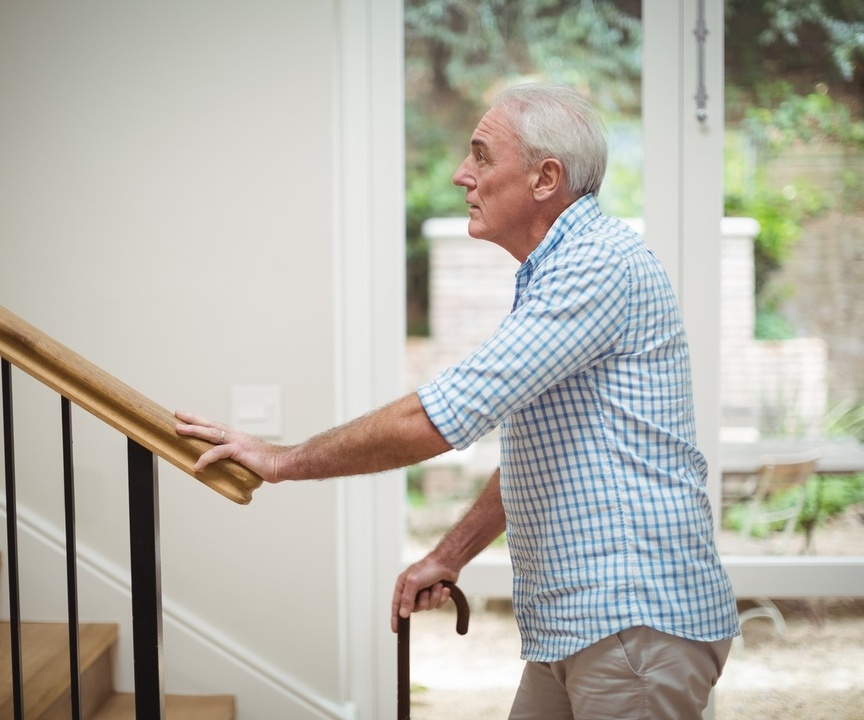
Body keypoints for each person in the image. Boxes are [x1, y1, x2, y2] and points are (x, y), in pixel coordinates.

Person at [176, 82, 740, 719]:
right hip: (590, 626)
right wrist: (449, 556)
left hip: (631, 620)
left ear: (545, 178)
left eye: (481, 155)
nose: (460, 175)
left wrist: (280, 460)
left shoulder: (597, 265)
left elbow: (438, 417)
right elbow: (549, 454)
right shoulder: (557, 271)